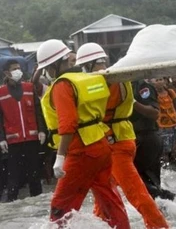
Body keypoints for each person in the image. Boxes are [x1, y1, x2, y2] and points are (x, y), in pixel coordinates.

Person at [36, 39, 130, 228]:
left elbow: (68, 123)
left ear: (54, 65)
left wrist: (60, 157)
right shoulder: (84, 78)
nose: (46, 72)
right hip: (101, 146)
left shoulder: (62, 85)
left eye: (47, 67)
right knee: (109, 198)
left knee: (60, 205)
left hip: (81, 151)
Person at [75, 43, 169, 229]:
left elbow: (88, 109)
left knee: (135, 191)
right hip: (123, 139)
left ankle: (159, 225)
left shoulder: (101, 82)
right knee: (105, 190)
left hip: (116, 143)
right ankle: (103, 222)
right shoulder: (121, 77)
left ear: (88, 65)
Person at [0, 59, 46, 202]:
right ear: (7, 72)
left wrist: (41, 130)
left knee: (35, 176)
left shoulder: (29, 87)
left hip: (32, 138)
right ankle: (12, 205)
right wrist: (1, 138)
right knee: (13, 178)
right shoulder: (1, 92)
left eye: (19, 68)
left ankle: (39, 205)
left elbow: (38, 111)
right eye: (14, 69)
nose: (18, 71)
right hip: (13, 141)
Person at [131, 79, 175, 201]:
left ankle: (165, 199)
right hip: (136, 139)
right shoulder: (122, 86)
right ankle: (164, 203)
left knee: (138, 180)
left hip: (147, 139)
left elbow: (154, 113)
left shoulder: (142, 87)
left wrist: (132, 102)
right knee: (146, 181)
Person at [151, 77, 176, 167]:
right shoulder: (153, 95)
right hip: (162, 125)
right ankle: (166, 169)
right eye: (157, 80)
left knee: (175, 148)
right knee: (165, 151)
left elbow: (174, 106)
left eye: (161, 79)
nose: (159, 81)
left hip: (174, 123)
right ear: (153, 83)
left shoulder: (170, 92)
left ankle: (175, 167)